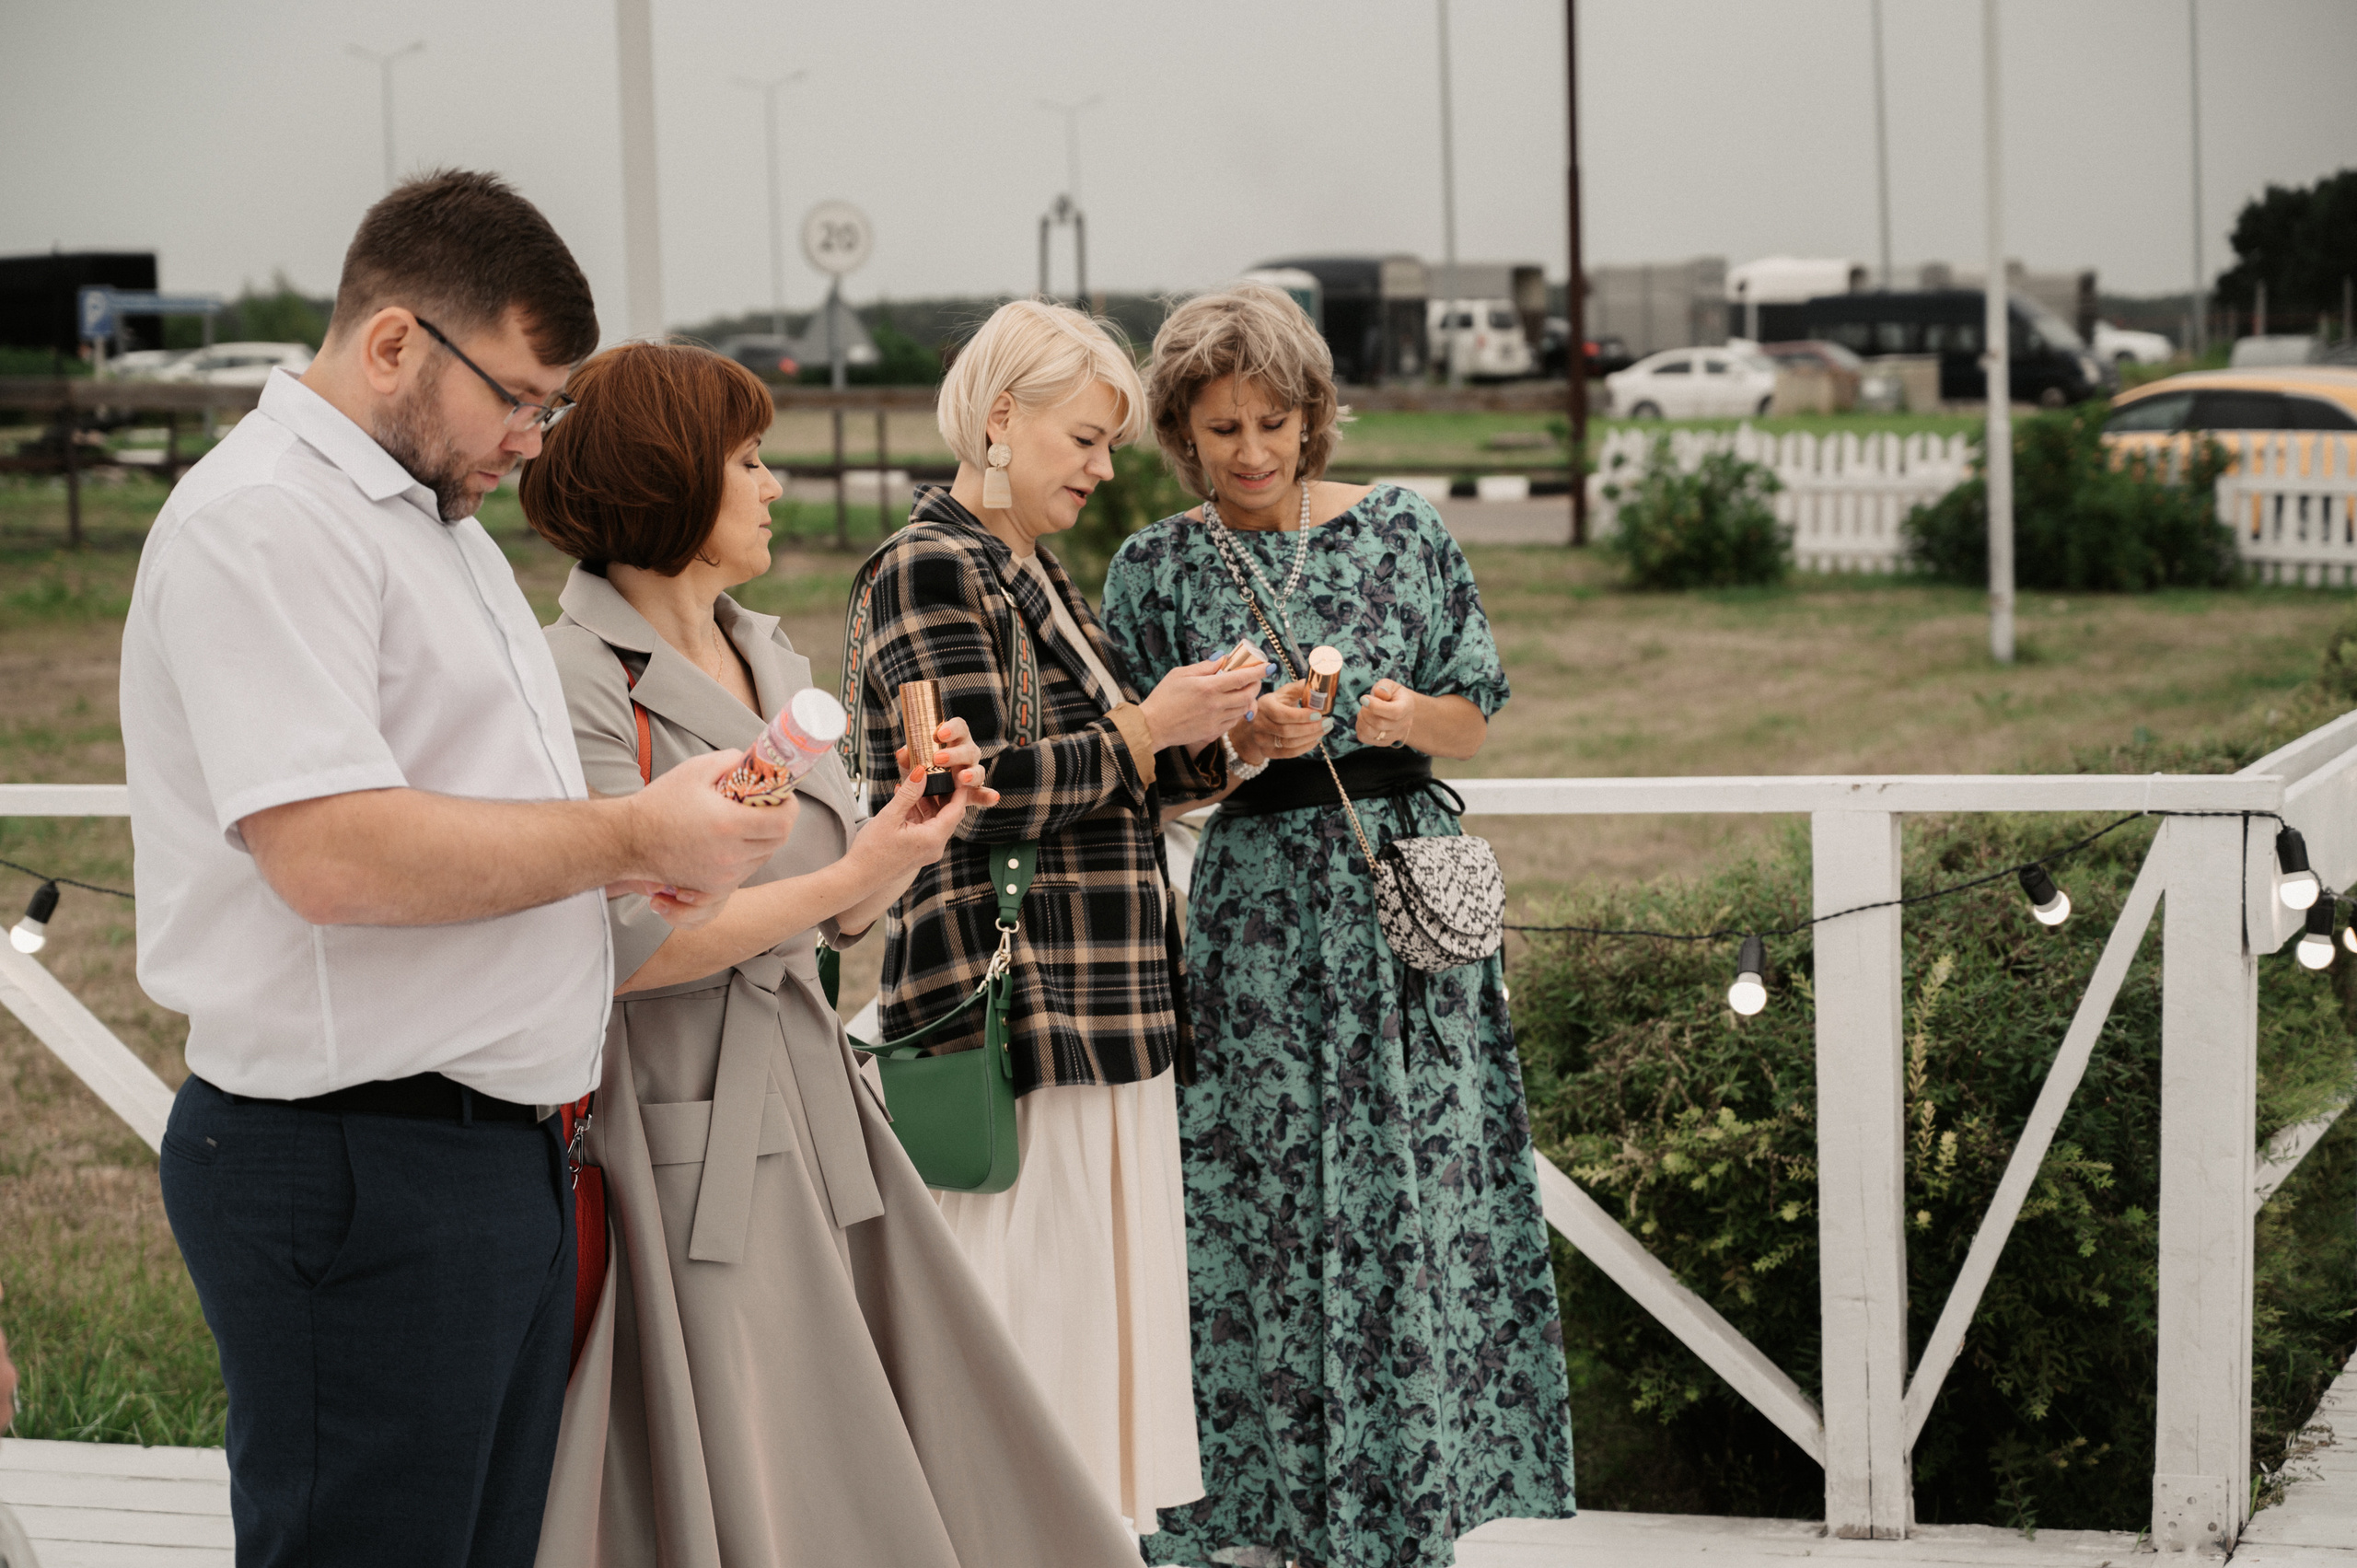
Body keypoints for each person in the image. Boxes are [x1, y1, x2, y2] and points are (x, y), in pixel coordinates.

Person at [123, 172, 797, 1568]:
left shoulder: (431, 526)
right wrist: (629, 837)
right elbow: (331, 852)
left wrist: (641, 874)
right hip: (361, 1161)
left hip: (484, 1160)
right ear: (393, 343)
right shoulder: (266, 521)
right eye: (518, 398)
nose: (533, 439)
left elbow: (480, 823)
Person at [521, 340, 1146, 1566]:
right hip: (683, 1104)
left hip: (816, 1097)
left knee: (932, 1429)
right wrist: (849, 880)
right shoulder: (576, 680)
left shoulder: (771, 656)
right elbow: (630, 951)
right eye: (749, 460)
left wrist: (908, 835)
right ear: (671, 477)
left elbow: (841, 913)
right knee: (766, 1456)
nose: (775, 485)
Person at [1102, 283, 1576, 1568]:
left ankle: (1403, 1511)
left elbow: (1475, 716)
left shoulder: (1405, 530)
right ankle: (1259, 1516)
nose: (1253, 451)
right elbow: (1137, 773)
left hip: (1403, 902)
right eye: (1222, 428)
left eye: (1275, 422)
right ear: (1180, 433)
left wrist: (1403, 717)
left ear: (1314, 415)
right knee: (1257, 1197)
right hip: (1256, 919)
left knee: (1415, 1188)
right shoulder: (1153, 569)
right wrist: (1244, 745)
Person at [857, 299, 1264, 1531]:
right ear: (999, 420)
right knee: (1029, 1340)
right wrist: (1151, 725)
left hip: (1100, 1011)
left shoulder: (1028, 567)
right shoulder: (928, 565)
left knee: (1082, 1342)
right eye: (1084, 440)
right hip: (1016, 1018)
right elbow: (971, 794)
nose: (1102, 469)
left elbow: (1114, 779)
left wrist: (1230, 739)